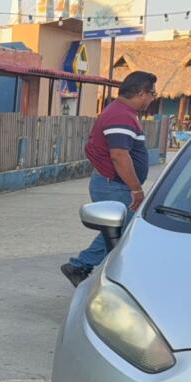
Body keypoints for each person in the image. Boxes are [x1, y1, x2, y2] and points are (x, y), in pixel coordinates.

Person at [60, 71, 157, 287]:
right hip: (114, 185)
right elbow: (119, 155)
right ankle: (80, 265)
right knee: (122, 231)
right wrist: (136, 189)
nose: (152, 99)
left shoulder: (122, 112)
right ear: (141, 93)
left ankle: (87, 267)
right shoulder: (121, 115)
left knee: (120, 232)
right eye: (152, 94)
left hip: (113, 184)